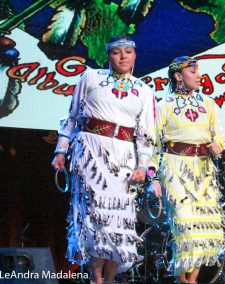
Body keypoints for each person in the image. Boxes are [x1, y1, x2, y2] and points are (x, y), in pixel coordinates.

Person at [51, 35, 155, 284]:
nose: (123, 57)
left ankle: (109, 279)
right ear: (108, 55)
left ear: (135, 56)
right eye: (118, 52)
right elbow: (73, 117)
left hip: (123, 157)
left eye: (128, 52)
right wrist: (60, 151)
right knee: (95, 216)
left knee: (118, 220)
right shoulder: (91, 77)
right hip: (92, 153)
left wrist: (143, 165)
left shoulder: (144, 90)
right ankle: (96, 278)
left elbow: (145, 134)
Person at [148, 56, 225, 283]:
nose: (199, 75)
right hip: (175, 167)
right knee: (185, 226)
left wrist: (217, 146)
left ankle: (190, 281)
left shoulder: (209, 104)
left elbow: (220, 138)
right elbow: (154, 143)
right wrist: (153, 177)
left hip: (204, 169)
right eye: (193, 71)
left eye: (198, 71)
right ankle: (182, 279)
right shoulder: (163, 106)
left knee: (204, 231)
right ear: (178, 76)